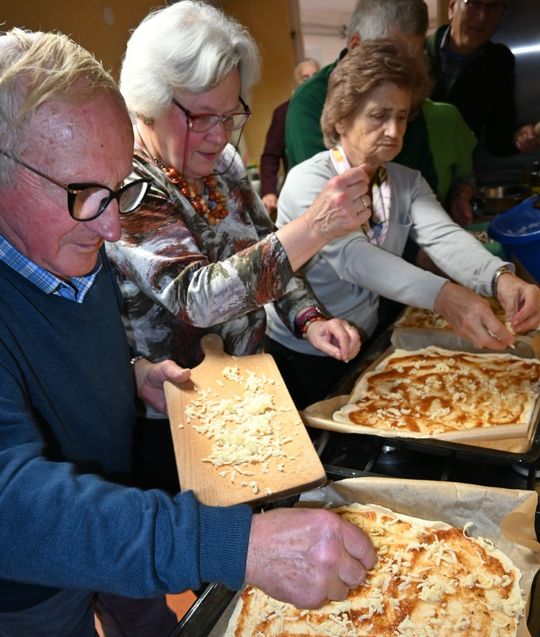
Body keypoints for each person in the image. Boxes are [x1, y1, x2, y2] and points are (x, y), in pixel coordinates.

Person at [0, 28, 378, 637]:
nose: (113, 226)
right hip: (26, 586)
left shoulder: (74, 231)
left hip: (119, 498)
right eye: (85, 195)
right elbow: (13, 506)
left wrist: (129, 370)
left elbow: (64, 343)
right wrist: (235, 545)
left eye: (119, 189)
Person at [106, 2, 365, 488]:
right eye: (202, 117)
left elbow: (263, 249)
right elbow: (196, 298)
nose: (219, 135)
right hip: (177, 415)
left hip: (249, 390)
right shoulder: (126, 185)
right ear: (148, 103)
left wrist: (309, 319)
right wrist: (313, 227)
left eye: (229, 115)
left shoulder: (221, 163)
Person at [265, 39, 540, 408]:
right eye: (379, 116)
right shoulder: (310, 182)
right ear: (341, 119)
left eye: (401, 116)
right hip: (301, 352)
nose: (394, 131)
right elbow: (355, 259)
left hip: (362, 337)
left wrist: (500, 278)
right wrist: (444, 297)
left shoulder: (405, 181)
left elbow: (444, 236)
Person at [285, 0, 479, 226]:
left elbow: (420, 186)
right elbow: (332, 203)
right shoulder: (310, 101)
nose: (405, 70)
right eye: (391, 56)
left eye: (415, 57)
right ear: (356, 45)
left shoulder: (407, 96)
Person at [427, 0, 540, 158]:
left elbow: (498, 139)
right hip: (406, 169)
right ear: (452, 8)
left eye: (494, 7)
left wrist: (520, 138)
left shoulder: (498, 61)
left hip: (459, 170)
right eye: (473, 4)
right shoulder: (416, 53)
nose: (482, 17)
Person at [260, 57, 320, 215]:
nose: (311, 81)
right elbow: (270, 156)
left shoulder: (330, 108)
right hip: (300, 192)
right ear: (297, 82)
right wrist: (269, 191)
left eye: (316, 76)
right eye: (305, 78)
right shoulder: (284, 113)